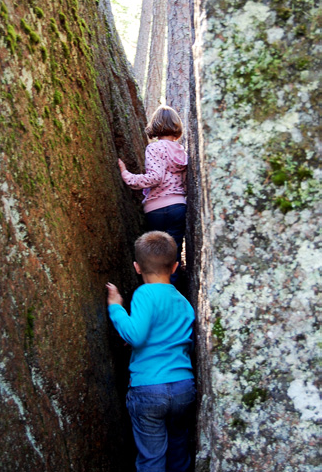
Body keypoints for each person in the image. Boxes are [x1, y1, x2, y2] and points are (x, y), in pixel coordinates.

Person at [106, 231, 195, 472]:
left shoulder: (144, 293)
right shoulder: (183, 300)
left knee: (152, 457)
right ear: (175, 266)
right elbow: (181, 338)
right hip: (183, 387)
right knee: (179, 447)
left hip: (149, 389)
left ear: (137, 267)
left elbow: (136, 335)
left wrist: (116, 308)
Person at [118, 106, 188, 285]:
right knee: (174, 253)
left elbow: (155, 177)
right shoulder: (181, 151)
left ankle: (155, 292)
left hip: (157, 209)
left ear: (156, 125)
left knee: (155, 254)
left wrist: (127, 175)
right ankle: (173, 295)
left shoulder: (155, 148)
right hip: (179, 207)